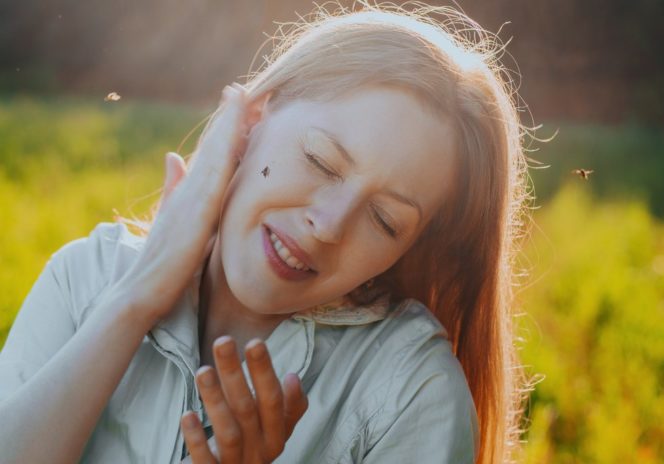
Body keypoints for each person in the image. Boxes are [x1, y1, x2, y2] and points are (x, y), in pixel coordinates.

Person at [0, 3, 535, 463]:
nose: (327, 227)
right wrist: (135, 298)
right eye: (320, 161)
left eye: (384, 220)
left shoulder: (410, 392)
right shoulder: (85, 277)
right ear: (253, 116)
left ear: (407, 250)